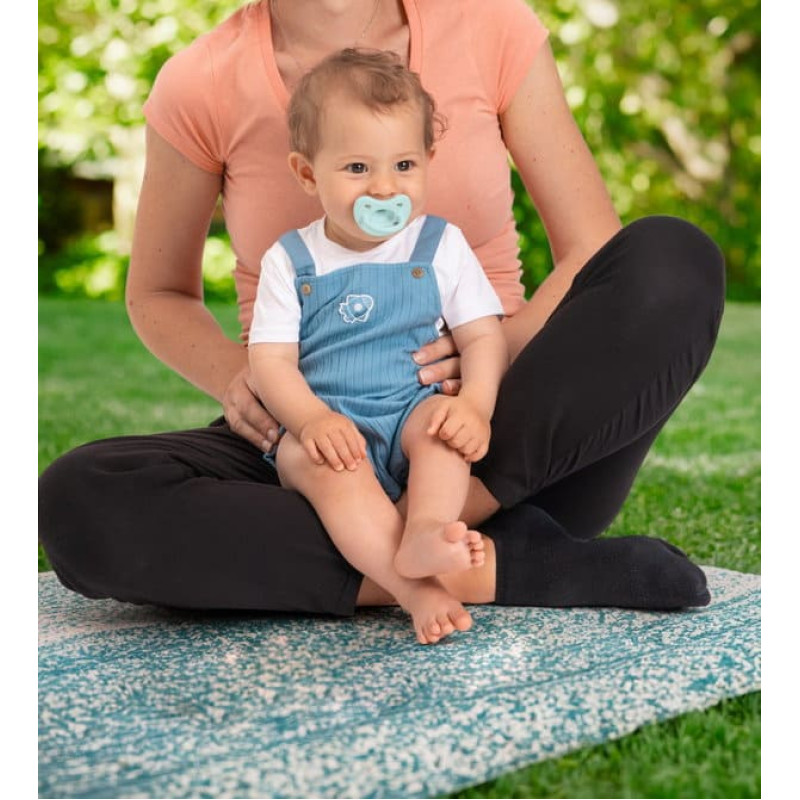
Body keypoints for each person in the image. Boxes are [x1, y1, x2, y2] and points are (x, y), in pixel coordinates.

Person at [39, 0, 724, 616]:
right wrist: (247, 385)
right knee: (82, 496)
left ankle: (429, 525)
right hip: (313, 435)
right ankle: (507, 566)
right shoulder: (200, 81)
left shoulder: (491, 23)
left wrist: (484, 362)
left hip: (493, 436)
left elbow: (591, 247)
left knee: (673, 260)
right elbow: (158, 294)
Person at [249, 49, 508, 644]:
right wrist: (310, 420)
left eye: (404, 165)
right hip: (330, 424)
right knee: (330, 469)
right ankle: (414, 588)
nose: (385, 188)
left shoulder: (440, 245)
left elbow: (481, 334)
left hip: (409, 408)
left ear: (428, 162)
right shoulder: (292, 259)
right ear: (308, 174)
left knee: (443, 435)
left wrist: (474, 405)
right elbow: (270, 361)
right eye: (358, 168)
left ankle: (426, 530)